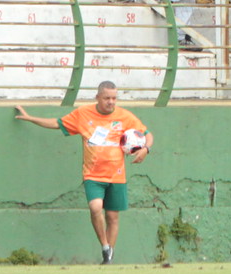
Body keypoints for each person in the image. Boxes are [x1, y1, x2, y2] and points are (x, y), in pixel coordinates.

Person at [13, 81, 151, 263]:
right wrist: (31, 118)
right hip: (93, 175)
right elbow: (57, 123)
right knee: (95, 208)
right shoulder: (84, 114)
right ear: (98, 97)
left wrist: (145, 149)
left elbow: (148, 134)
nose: (111, 102)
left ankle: (109, 256)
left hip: (117, 175)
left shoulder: (125, 117)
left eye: (114, 98)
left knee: (112, 216)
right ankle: (104, 246)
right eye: (107, 98)